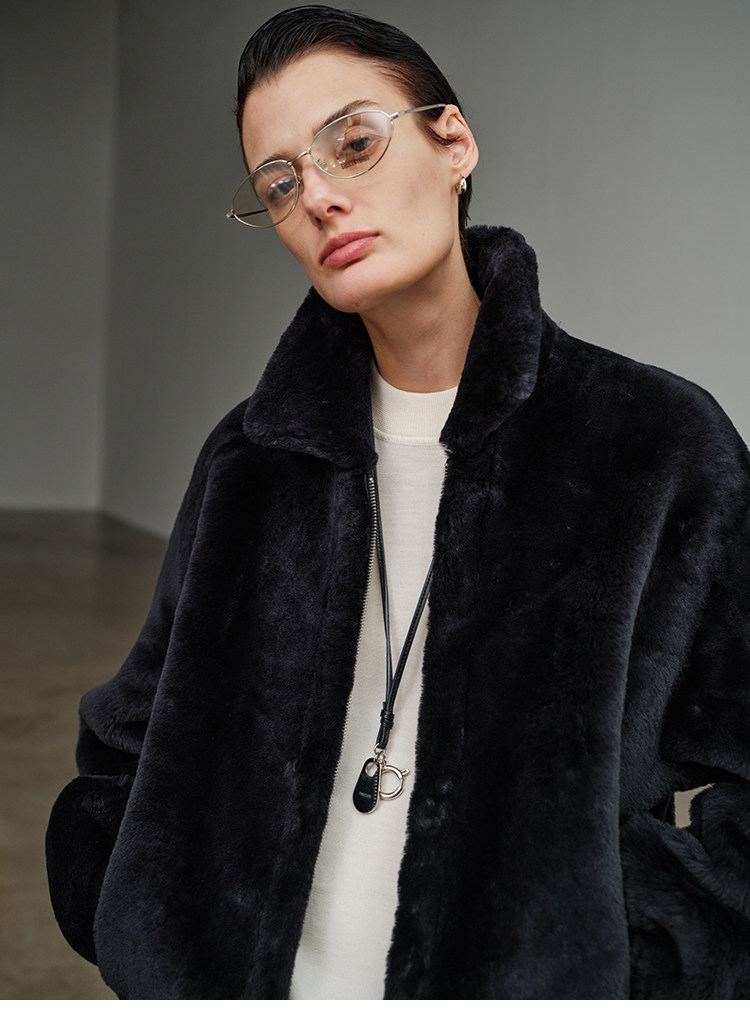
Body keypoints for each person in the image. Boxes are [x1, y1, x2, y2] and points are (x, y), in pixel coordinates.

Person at [46, 4, 750, 1000]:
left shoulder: (655, 445)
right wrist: (142, 916)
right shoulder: (251, 460)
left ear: (453, 142)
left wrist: (626, 958)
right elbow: (127, 737)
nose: (320, 198)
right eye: (280, 183)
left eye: (353, 144)